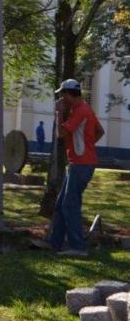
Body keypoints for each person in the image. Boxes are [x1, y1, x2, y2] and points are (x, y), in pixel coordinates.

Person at [50, 79, 104, 256]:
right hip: (80, 163)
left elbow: (61, 133)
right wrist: (88, 146)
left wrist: (58, 113)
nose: (61, 99)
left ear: (67, 94)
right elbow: (100, 131)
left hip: (81, 165)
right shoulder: (83, 108)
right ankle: (54, 243)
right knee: (60, 205)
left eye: (62, 95)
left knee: (69, 205)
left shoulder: (80, 111)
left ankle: (78, 247)